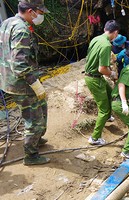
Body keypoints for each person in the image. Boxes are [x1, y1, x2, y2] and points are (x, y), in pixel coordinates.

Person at [0, 0, 50, 165]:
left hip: (9, 80)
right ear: (30, 11)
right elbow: (20, 65)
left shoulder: (8, 22)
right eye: (39, 13)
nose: (40, 16)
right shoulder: (22, 30)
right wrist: (35, 84)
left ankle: (36, 139)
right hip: (22, 84)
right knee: (34, 120)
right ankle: (31, 156)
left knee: (41, 108)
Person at [84, 20, 120, 145]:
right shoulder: (106, 45)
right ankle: (95, 138)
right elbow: (102, 69)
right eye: (116, 34)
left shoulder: (96, 38)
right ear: (115, 33)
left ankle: (108, 116)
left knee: (110, 94)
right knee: (103, 109)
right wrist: (112, 74)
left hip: (94, 75)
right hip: (95, 78)